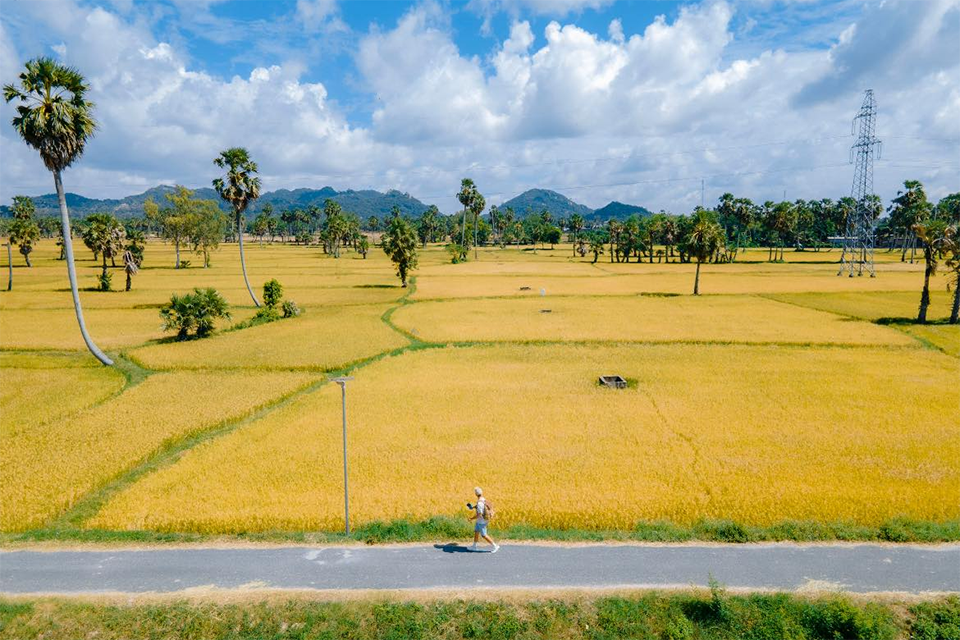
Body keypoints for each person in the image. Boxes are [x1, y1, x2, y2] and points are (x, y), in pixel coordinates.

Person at [468, 486, 499, 553]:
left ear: (475, 494)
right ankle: (474, 546)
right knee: (476, 531)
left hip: (482, 521)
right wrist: (472, 507)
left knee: (484, 535)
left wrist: (471, 518)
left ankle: (495, 546)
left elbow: (479, 514)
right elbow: (482, 506)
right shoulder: (483, 499)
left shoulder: (479, 503)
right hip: (482, 520)